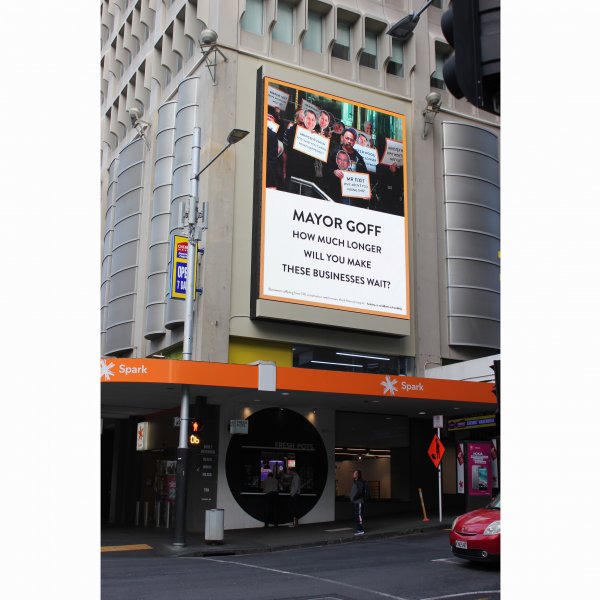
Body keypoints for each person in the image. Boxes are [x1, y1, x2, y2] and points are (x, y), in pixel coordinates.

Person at [350, 469, 367, 535]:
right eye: (353, 473)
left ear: (358, 475)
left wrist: (354, 497)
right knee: (357, 515)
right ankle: (359, 529)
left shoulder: (359, 482)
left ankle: (361, 530)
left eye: (355, 473)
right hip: (356, 502)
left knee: (359, 515)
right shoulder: (356, 481)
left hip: (359, 501)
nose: (353, 474)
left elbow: (360, 491)